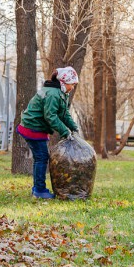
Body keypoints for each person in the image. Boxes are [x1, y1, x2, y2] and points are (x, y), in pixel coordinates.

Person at [17, 67, 80, 199]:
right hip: (33, 127)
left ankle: (37, 188)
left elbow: (64, 114)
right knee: (42, 158)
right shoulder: (52, 94)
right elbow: (50, 116)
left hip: (36, 127)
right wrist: (64, 131)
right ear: (63, 82)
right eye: (72, 84)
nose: (73, 87)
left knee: (40, 158)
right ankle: (39, 190)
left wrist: (74, 128)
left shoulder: (60, 93)